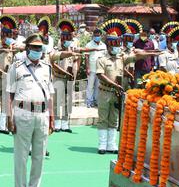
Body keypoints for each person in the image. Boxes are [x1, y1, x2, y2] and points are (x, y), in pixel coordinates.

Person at [97, 19, 162, 155]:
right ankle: (102, 145)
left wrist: (151, 53)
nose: (116, 47)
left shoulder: (121, 57)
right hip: (105, 91)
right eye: (114, 44)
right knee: (103, 117)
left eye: (118, 44)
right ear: (108, 45)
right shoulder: (101, 59)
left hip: (116, 92)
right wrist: (115, 84)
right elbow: (100, 75)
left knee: (114, 118)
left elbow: (136, 56)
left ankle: (111, 144)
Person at [7, 33, 55, 187]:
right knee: (21, 156)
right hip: (23, 113)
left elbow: (50, 94)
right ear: (27, 48)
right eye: (34, 47)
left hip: (42, 114)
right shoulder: (16, 67)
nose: (37, 50)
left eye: (40, 48)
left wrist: (52, 117)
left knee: (39, 156)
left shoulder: (47, 68)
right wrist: (9, 117)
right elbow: (9, 94)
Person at [0, 15, 18, 134]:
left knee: (6, 102)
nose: (8, 38)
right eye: (6, 36)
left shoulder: (13, 49)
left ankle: (3, 126)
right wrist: (2, 72)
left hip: (8, 79)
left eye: (10, 36)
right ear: (2, 36)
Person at [52, 19, 81, 133]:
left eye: (68, 36)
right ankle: (56, 122)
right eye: (64, 37)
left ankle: (65, 123)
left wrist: (75, 71)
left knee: (67, 99)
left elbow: (77, 60)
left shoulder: (73, 47)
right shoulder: (57, 48)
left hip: (69, 77)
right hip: (58, 76)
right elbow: (53, 63)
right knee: (56, 100)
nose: (66, 39)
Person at [84, 29, 106, 107]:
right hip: (92, 69)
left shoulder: (104, 45)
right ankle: (89, 101)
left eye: (98, 35)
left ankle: (96, 100)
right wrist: (87, 68)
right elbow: (86, 57)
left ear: (101, 36)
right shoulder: (89, 45)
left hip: (100, 69)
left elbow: (105, 57)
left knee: (98, 86)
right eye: (95, 35)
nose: (97, 37)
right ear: (93, 35)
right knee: (90, 86)